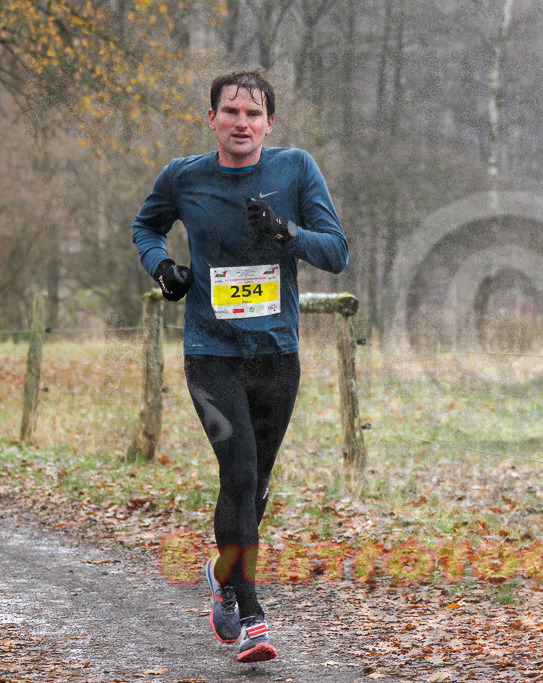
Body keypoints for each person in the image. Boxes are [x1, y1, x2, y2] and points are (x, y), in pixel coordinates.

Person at [132, 68, 348, 663]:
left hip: (276, 355)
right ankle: (252, 617)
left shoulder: (295, 169)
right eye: (230, 112)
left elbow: (338, 252)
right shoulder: (184, 177)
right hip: (211, 354)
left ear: (269, 124)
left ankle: (225, 572)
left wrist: (288, 232)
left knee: (254, 487)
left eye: (253, 114)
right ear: (212, 119)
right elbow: (145, 226)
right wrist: (161, 265)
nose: (241, 123)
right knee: (241, 473)